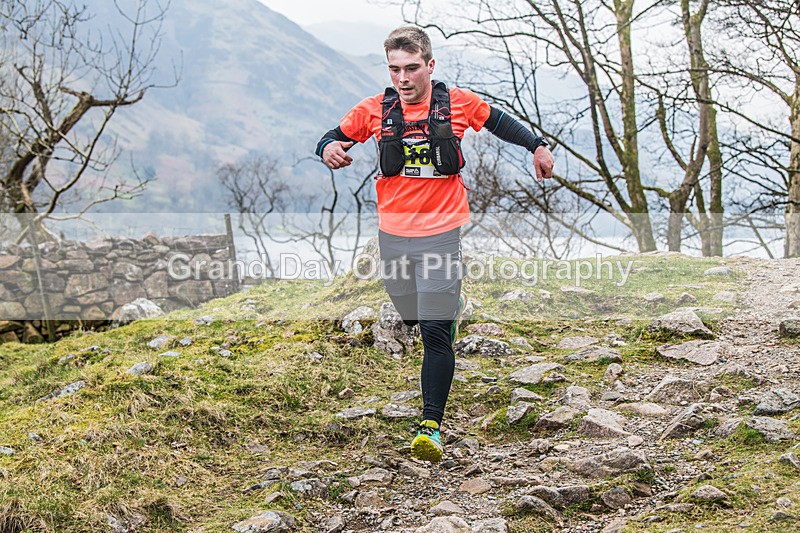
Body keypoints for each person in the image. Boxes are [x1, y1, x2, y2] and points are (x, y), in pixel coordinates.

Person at [315, 26, 555, 462]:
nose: (402, 78)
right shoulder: (375, 110)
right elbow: (331, 137)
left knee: (433, 332)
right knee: (407, 311)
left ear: (429, 65)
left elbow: (501, 123)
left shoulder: (457, 103)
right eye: (394, 69)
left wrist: (537, 146)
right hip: (394, 234)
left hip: (443, 232)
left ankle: (431, 424)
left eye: (411, 68)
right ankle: (448, 308)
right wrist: (329, 148)